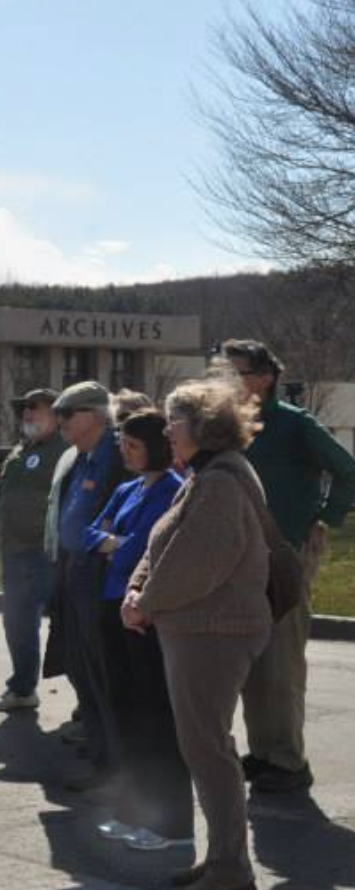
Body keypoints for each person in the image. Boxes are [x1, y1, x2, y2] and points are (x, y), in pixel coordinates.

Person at [123, 377, 273, 890]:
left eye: (173, 421)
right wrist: (137, 588)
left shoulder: (222, 480)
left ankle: (230, 869)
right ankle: (222, 860)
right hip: (198, 629)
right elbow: (163, 543)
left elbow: (197, 562)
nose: (166, 430)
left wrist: (145, 602)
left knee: (208, 751)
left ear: (200, 427)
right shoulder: (204, 475)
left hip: (215, 632)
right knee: (206, 749)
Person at [224, 339, 355, 793]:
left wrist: (324, 517)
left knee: (281, 660)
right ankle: (263, 752)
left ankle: (289, 761)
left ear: (265, 377)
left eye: (237, 372)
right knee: (253, 658)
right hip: (240, 555)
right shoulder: (231, 425)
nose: (227, 380)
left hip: (285, 552)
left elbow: (348, 470)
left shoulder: (296, 424)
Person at [84, 410, 192, 853]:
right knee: (125, 712)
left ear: (157, 447)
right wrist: (110, 542)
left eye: (133, 445)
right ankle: (134, 812)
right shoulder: (127, 489)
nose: (125, 453)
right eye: (122, 445)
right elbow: (89, 533)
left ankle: (173, 825)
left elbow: (142, 549)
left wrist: (113, 543)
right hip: (113, 604)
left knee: (155, 718)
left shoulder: (173, 490)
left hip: (145, 612)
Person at [50, 381, 132, 786]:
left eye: (68, 413)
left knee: (104, 675)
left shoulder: (118, 457)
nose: (60, 421)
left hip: (102, 578)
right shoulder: (80, 458)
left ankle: (116, 770)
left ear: (97, 415)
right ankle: (102, 762)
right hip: (74, 571)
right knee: (80, 668)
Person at [0, 388, 67, 714]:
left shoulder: (65, 449)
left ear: (56, 414)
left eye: (35, 407)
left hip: (47, 553)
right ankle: (22, 689)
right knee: (17, 624)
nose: (27, 413)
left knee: (68, 627)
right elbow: (3, 494)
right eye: (24, 408)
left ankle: (89, 703)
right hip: (15, 551)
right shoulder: (20, 451)